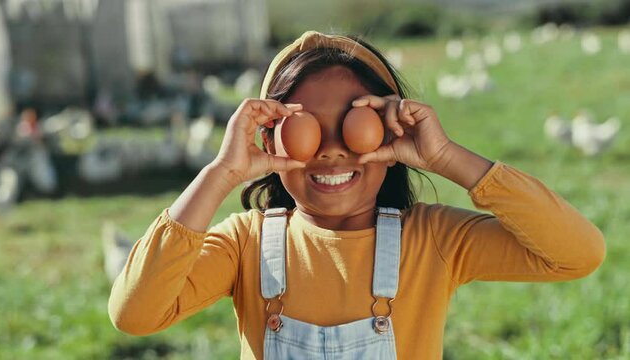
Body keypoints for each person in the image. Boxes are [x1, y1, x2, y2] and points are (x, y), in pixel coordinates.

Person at [108, 31, 605, 359]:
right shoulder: (246, 244)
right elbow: (134, 313)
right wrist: (220, 173)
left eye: (354, 126)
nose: (329, 151)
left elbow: (577, 254)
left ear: (390, 137)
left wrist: (447, 157)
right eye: (305, 128)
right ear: (269, 139)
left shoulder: (432, 241)